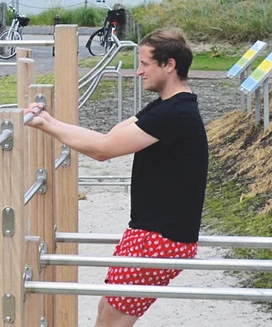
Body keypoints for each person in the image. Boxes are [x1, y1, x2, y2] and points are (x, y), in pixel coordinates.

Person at [25, 27, 207, 326]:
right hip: (148, 232)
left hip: (160, 237)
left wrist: (45, 126)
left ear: (169, 65)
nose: (138, 71)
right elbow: (108, 137)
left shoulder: (176, 114)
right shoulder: (167, 106)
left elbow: (102, 150)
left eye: (145, 64)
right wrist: (49, 121)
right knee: (106, 311)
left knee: (112, 320)